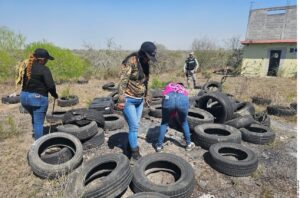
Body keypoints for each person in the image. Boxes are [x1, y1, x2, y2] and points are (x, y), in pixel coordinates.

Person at [116, 41, 157, 161]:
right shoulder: (131, 61)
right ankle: (134, 153)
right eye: (147, 57)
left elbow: (146, 81)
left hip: (139, 101)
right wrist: (121, 99)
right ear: (142, 53)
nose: (148, 60)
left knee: (135, 126)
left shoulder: (146, 63)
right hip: (129, 99)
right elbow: (123, 81)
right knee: (134, 126)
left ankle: (130, 144)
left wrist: (146, 96)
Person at [19, 48, 58, 140]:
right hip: (37, 99)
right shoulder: (44, 69)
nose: (47, 62)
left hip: (24, 98)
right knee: (39, 123)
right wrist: (54, 94)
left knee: (35, 119)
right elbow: (51, 85)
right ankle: (38, 146)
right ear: (42, 59)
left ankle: (35, 137)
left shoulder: (26, 67)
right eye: (47, 60)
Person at [156, 82, 195, 152]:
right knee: (184, 122)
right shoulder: (183, 89)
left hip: (168, 98)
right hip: (183, 98)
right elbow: (186, 102)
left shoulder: (168, 86)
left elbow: (163, 101)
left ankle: (159, 146)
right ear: (181, 85)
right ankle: (188, 145)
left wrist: (170, 113)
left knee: (164, 123)